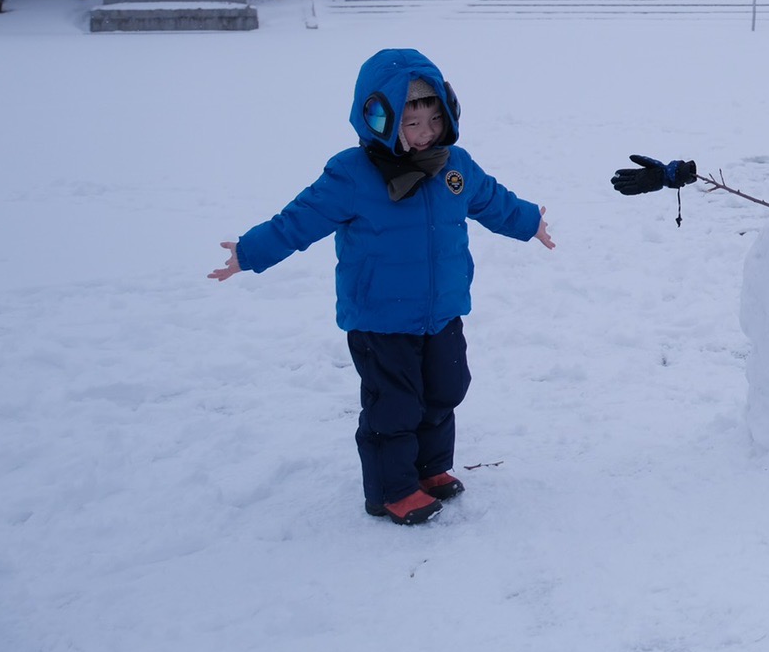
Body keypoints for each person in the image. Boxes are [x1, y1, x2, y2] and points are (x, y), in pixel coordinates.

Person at [208, 48, 553, 525]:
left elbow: (492, 200)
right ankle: (392, 488)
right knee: (394, 405)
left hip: (442, 310)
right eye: (412, 123)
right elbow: (299, 219)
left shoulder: (455, 166)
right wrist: (250, 252)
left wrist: (528, 221)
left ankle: (429, 470)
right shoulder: (352, 174)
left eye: (434, 118)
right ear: (378, 117)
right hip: (380, 317)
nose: (425, 132)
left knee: (445, 390)